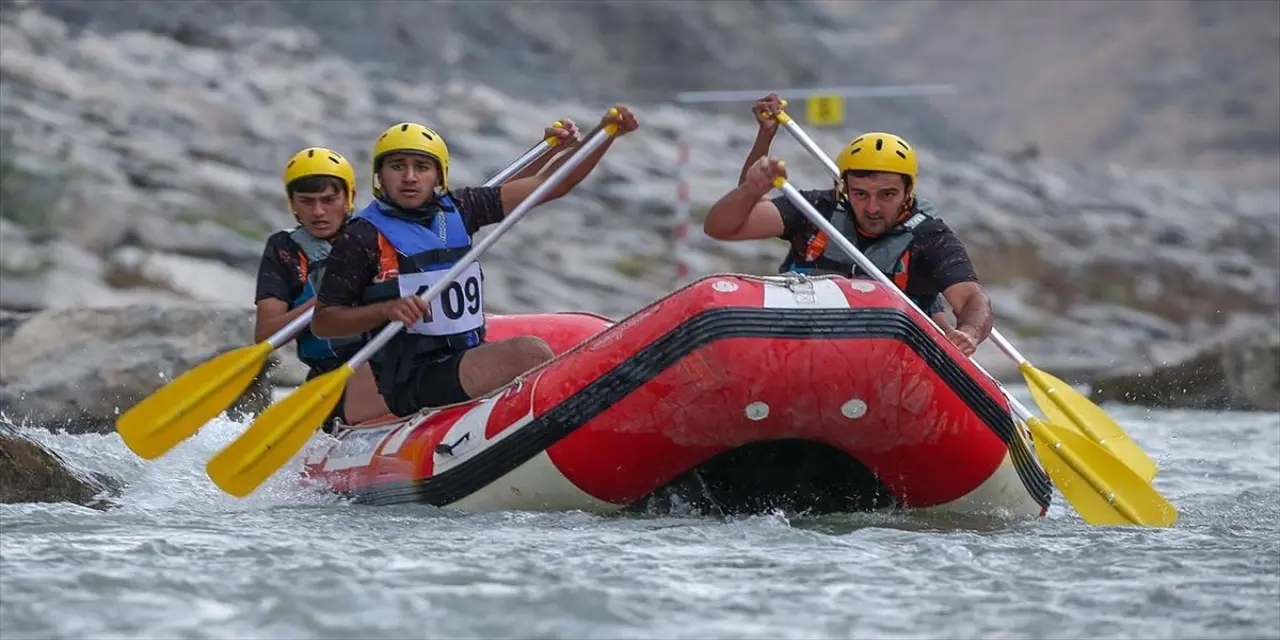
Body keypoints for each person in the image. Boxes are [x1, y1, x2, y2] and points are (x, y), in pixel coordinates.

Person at [312, 106, 641, 417]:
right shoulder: (362, 238)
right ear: (380, 176)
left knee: (537, 351)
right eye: (397, 166)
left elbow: (550, 185)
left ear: (437, 175)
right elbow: (324, 322)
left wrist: (604, 133)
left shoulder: (459, 208)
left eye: (421, 167)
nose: (410, 177)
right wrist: (386, 310)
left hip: (463, 354)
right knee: (530, 353)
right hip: (412, 378)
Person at [702, 94, 993, 356]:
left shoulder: (930, 238)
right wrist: (752, 187)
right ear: (844, 190)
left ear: (908, 193)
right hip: (804, 347)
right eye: (860, 194)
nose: (872, 207)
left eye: (887, 194)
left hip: (890, 359)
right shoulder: (816, 211)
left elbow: (972, 299)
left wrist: (968, 333)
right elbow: (723, 227)